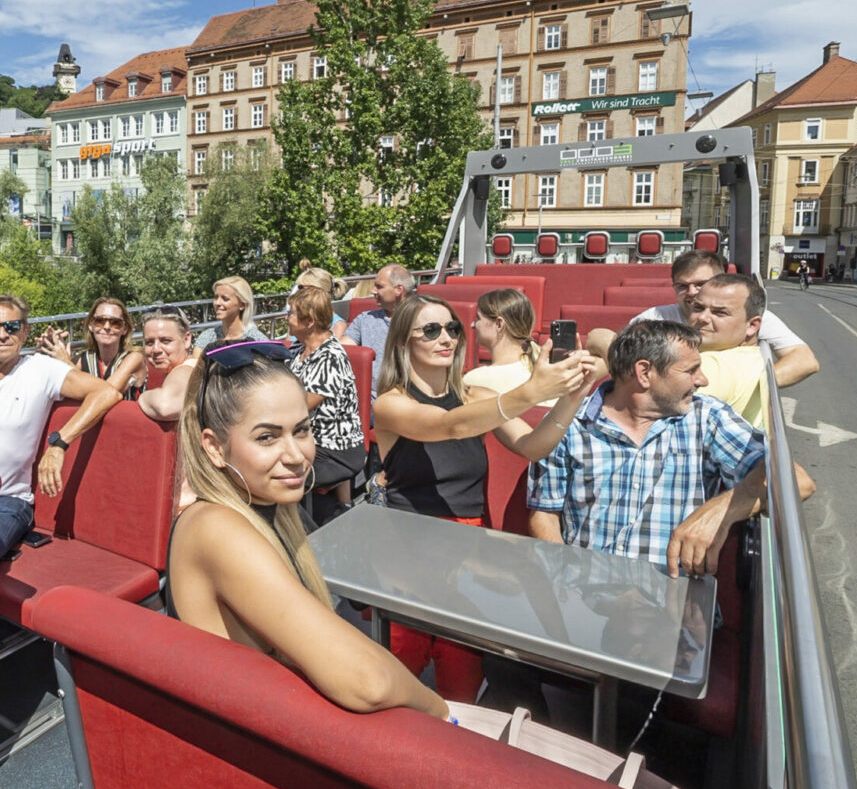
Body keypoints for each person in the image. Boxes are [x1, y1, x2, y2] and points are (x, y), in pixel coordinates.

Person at [164, 340, 448, 721]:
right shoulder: (216, 528)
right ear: (214, 448)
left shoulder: (269, 509)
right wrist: (443, 712)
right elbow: (367, 681)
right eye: (267, 437)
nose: (296, 455)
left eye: (301, 430)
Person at [0, 293, 121, 773]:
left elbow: (106, 392)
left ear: (26, 332)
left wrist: (58, 442)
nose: (2, 335)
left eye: (11, 326)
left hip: (6, 504)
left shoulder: (40, 371)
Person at [371, 295, 601, 700]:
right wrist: (531, 390)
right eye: (430, 330)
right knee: (398, 683)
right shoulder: (391, 404)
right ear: (404, 341)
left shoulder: (474, 394)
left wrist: (572, 395)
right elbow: (449, 427)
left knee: (461, 683)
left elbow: (533, 446)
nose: (446, 337)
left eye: (452, 328)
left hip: (467, 552)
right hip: (409, 552)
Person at [528, 319, 813, 579]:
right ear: (644, 373)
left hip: (676, 603)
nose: (703, 380)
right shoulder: (568, 426)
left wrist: (720, 509)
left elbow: (797, 481)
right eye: (691, 370)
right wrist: (564, 586)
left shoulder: (707, 418)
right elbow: (544, 516)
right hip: (587, 595)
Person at [588, 249, 819, 390]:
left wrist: (750, 387)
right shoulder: (656, 317)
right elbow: (609, 350)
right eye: (682, 286)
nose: (691, 292)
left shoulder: (747, 315)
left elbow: (804, 361)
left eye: (700, 284)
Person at [284, 286, 365, 522]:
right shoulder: (299, 349)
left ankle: (303, 535)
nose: (286, 318)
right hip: (305, 441)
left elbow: (299, 406)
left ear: (308, 321)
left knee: (274, 474)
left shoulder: (331, 356)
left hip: (335, 449)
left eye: (291, 313)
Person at [684, 273, 769, 429]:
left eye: (720, 313)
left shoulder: (709, 366)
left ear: (752, 325)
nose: (703, 317)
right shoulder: (758, 356)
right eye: (698, 307)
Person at [38, 297, 145, 399]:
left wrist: (66, 362)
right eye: (99, 321)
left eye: (115, 323)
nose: (107, 327)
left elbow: (106, 394)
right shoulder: (83, 360)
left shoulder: (134, 359)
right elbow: (51, 383)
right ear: (90, 325)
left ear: (124, 329)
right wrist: (48, 349)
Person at [345, 263, 415, 387]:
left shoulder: (421, 320)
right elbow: (342, 347)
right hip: (366, 397)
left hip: (406, 396)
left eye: (379, 286)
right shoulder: (365, 319)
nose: (372, 291)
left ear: (399, 290)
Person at [462, 287, 539, 398]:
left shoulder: (476, 379)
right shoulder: (547, 365)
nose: (472, 325)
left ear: (499, 324)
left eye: (478, 318)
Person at [137, 309, 199, 423]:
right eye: (149, 342)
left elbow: (166, 406)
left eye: (165, 341)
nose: (156, 349)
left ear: (186, 340)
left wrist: (142, 397)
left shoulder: (185, 370)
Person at [194, 276, 265, 350]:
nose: (217, 303)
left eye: (225, 299)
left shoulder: (257, 340)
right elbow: (196, 360)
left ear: (242, 305)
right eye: (216, 297)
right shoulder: (207, 337)